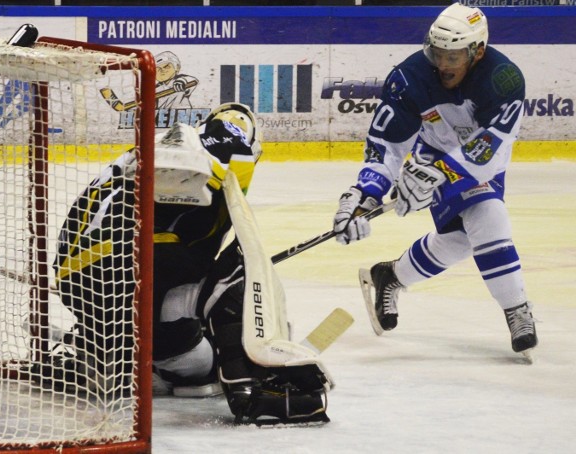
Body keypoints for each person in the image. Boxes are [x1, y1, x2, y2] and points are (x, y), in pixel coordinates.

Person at [48, 103, 329, 425]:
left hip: (85, 282)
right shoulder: (219, 139)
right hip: (122, 268)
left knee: (199, 366)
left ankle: (110, 352)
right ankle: (250, 389)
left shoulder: (149, 160)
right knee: (240, 270)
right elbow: (221, 138)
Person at [332, 3, 537, 356]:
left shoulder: (504, 80)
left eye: (453, 56)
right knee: (486, 218)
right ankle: (517, 309)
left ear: (478, 51)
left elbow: (490, 151)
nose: (442, 64)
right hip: (432, 154)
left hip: (480, 161)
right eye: (437, 53)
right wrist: (365, 192)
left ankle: (390, 276)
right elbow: (387, 145)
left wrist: (440, 176)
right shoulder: (410, 77)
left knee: (462, 237)